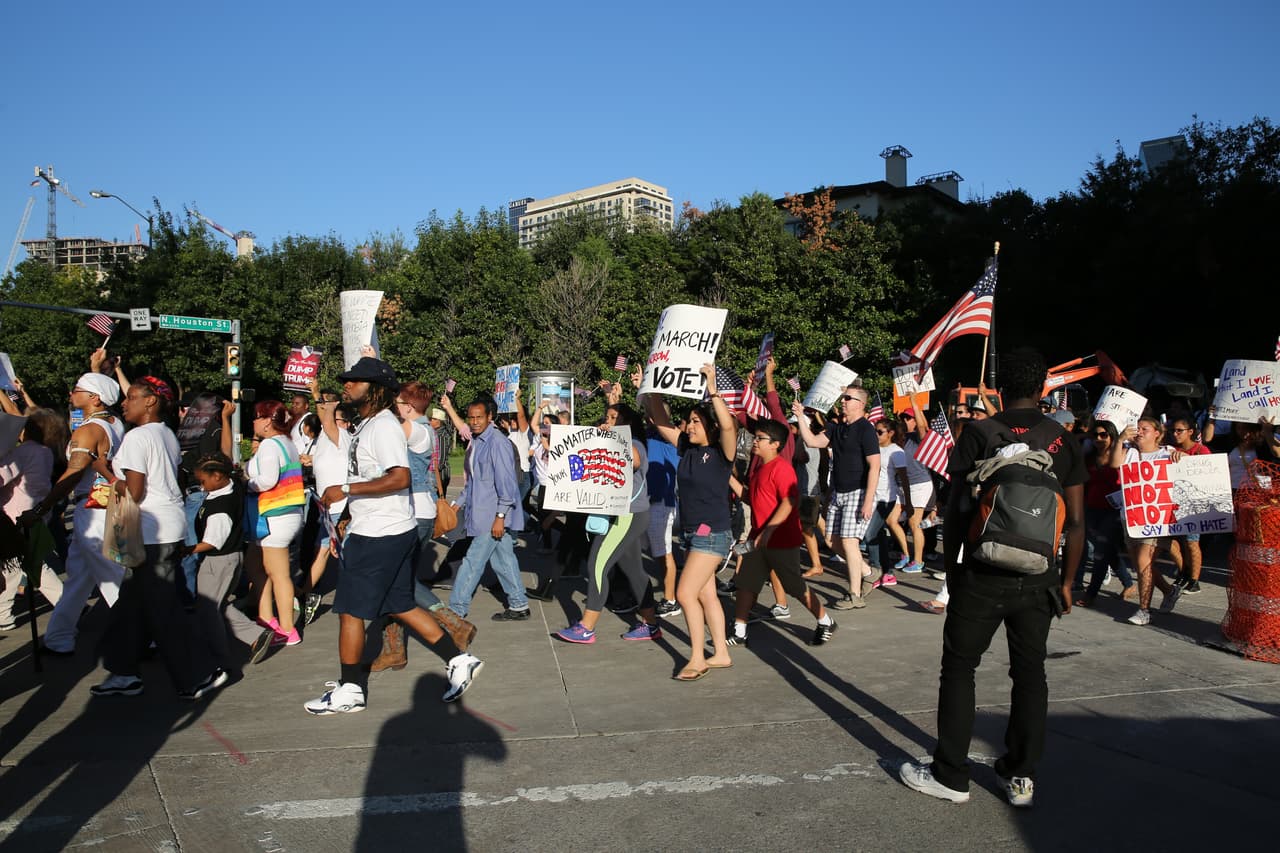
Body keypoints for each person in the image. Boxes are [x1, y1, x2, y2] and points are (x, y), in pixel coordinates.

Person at [900, 348, 1085, 809]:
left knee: (960, 668)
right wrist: (1066, 583)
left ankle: (951, 775)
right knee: (1029, 674)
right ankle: (1020, 776)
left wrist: (955, 572)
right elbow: (1077, 521)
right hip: (1039, 578)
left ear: (1000, 389)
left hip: (982, 573)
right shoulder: (1062, 439)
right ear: (1044, 388)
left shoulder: (979, 433)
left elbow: (960, 511)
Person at [306, 357, 483, 714]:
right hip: (386, 529)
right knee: (399, 604)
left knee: (350, 612)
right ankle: (459, 660)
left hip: (381, 535)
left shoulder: (384, 427)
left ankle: (351, 690)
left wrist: (345, 489)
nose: (346, 385)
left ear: (375, 390)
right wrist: (349, 516)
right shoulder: (367, 425)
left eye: (355, 381)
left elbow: (400, 477)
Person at [88, 376, 219, 700]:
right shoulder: (166, 435)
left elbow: (133, 491)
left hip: (152, 532)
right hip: (165, 527)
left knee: (162, 608)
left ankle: (196, 675)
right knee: (131, 605)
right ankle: (123, 673)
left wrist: (105, 472)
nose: (124, 402)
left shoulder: (136, 437)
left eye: (131, 397)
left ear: (151, 402)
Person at [642, 364, 736, 681]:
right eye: (690, 421)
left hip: (714, 534)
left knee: (684, 594)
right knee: (706, 595)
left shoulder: (722, 452)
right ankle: (721, 652)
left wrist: (712, 387)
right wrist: (653, 387)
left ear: (708, 425)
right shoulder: (687, 448)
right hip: (693, 534)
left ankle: (697, 657)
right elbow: (660, 420)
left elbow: (727, 427)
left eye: (696, 422)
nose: (689, 425)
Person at [32, 371, 126, 655]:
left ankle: (146, 636)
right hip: (105, 504)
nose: (71, 394)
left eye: (77, 390)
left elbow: (74, 473)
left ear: (94, 398)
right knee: (78, 580)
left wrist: (43, 506)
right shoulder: (113, 423)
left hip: (95, 509)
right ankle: (58, 638)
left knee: (113, 578)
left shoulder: (89, 429)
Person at [554, 404, 661, 644]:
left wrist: (613, 437)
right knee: (634, 570)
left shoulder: (636, 445)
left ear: (627, 424)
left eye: (615, 418)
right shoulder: (613, 441)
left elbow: (632, 460)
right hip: (623, 515)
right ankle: (651, 625)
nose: (609, 421)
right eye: (608, 417)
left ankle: (586, 627)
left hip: (628, 516)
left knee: (597, 563)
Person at [726, 418, 837, 647]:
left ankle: (825, 620)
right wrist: (728, 477)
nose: (754, 442)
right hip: (759, 538)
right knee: (746, 584)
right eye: (755, 437)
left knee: (794, 586)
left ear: (775, 444)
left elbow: (789, 501)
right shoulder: (759, 469)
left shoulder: (782, 468)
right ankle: (739, 630)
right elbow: (750, 498)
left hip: (782, 540)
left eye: (760, 438)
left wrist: (769, 531)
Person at [184, 452, 274, 674]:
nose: (202, 487)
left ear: (217, 476)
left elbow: (213, 542)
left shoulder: (220, 508)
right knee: (220, 605)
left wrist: (186, 550)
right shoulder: (232, 486)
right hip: (230, 559)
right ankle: (255, 635)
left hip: (218, 562)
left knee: (207, 610)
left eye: (203, 481)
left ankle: (218, 658)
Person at [444, 394, 531, 622]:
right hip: (482, 513)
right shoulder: (477, 442)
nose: (474, 421)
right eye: (471, 417)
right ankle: (519, 604)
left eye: (479, 417)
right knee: (503, 559)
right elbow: (474, 481)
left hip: (491, 516)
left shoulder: (498, 443)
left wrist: (500, 516)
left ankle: (455, 611)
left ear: (490, 417)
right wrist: (457, 504)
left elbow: (508, 485)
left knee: (472, 562)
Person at [792, 386, 880, 608]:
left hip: (857, 492)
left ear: (860, 403)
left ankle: (854, 594)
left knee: (850, 543)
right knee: (832, 541)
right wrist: (800, 416)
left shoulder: (866, 429)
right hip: (838, 492)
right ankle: (868, 572)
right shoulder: (837, 429)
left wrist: (868, 500)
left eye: (847, 398)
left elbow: (875, 466)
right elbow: (812, 441)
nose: (843, 401)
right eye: (843, 397)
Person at [245, 400, 306, 647]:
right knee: (256, 566)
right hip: (283, 514)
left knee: (278, 574)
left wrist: (246, 482)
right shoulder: (286, 442)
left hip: (274, 516)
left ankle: (287, 629)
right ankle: (266, 619)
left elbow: (267, 480)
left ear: (268, 421)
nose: (254, 422)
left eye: (257, 417)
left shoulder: (271, 445)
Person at [0, 408, 65, 629]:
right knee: (29, 562)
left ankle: (3, 615)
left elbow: (5, 474)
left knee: (18, 563)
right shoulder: (46, 452)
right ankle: (65, 602)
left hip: (16, 515)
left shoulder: (25, 451)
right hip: (36, 512)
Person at [1114, 417, 1182, 625]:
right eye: (1138, 428)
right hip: (1131, 517)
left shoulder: (1166, 452)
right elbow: (1115, 464)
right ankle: (1169, 591)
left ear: (1157, 433)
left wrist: (1181, 457)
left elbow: (1189, 467)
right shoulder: (1131, 453)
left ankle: (1144, 610)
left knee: (1144, 560)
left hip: (1156, 519)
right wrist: (1120, 440)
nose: (1140, 431)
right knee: (1142, 565)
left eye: (1145, 428)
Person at [1075, 420, 1136, 607]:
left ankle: (1091, 594)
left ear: (1112, 435)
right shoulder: (1090, 456)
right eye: (1095, 435)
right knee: (1107, 550)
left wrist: (1121, 440)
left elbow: (1118, 468)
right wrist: (1085, 436)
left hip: (1113, 511)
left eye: (1104, 435)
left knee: (1100, 553)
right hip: (1092, 508)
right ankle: (1128, 583)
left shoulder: (1123, 453)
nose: (1099, 439)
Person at [1165, 415, 1213, 594]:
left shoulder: (1201, 450)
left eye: (1179, 430)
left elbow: (1209, 473)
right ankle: (1184, 572)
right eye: (1172, 431)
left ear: (1190, 432)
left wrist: (1188, 459)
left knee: (1192, 542)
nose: (1175, 434)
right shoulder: (1170, 450)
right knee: (1171, 541)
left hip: (1192, 504)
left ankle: (1194, 580)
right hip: (1172, 504)